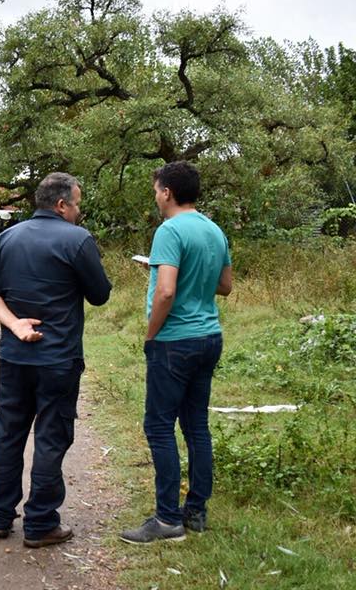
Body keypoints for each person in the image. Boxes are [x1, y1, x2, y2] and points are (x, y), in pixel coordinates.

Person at [0, 172, 111, 548]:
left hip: (15, 357)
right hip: (59, 359)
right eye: (78, 203)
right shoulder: (77, 240)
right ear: (62, 204)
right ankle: (40, 523)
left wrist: (15, 323)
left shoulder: (7, 237)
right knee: (51, 437)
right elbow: (100, 295)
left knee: (8, 433)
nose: (79, 211)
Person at [120, 161, 233, 544]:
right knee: (196, 425)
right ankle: (195, 511)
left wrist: (152, 334)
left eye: (156, 190)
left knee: (158, 425)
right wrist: (195, 279)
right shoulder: (214, 230)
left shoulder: (169, 231)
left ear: (167, 191)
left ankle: (168, 519)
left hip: (175, 341)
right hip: (209, 336)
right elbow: (225, 285)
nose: (155, 196)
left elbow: (165, 291)